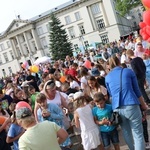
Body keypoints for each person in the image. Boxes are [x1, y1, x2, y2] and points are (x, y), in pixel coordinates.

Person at [105, 55, 147, 150]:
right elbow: (137, 91)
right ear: (119, 62)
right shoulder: (128, 72)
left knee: (126, 132)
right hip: (131, 103)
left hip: (117, 107)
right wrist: (143, 105)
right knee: (138, 133)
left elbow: (111, 94)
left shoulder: (107, 77)